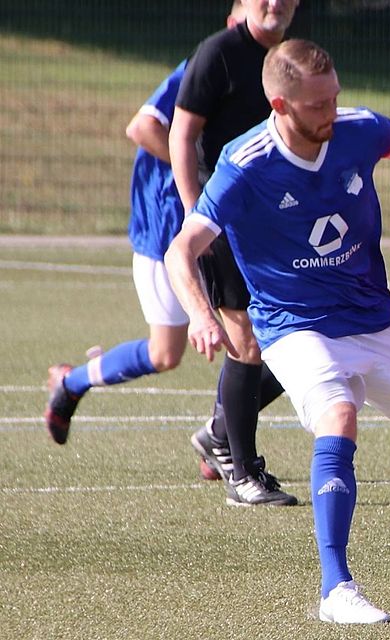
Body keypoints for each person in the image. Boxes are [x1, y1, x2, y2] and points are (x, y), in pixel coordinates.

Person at [165, 40, 390, 624]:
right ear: (279, 104)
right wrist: (205, 316)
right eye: (316, 105)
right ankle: (336, 588)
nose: (330, 112)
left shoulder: (358, 128)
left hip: (372, 317)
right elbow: (181, 250)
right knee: (339, 414)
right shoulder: (246, 162)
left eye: (334, 96)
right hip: (295, 325)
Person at [42, 3, 248, 450]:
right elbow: (144, 127)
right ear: (236, 20)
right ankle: (72, 382)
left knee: (251, 337)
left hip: (218, 230)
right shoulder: (205, 64)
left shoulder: (254, 73)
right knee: (166, 353)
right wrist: (202, 168)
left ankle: (224, 441)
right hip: (168, 228)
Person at [170, 0, 300, 506]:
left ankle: (219, 430)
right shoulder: (218, 54)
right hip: (220, 214)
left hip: (276, 218)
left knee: (299, 337)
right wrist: (193, 211)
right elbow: (182, 134)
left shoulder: (291, 58)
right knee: (244, 339)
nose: (276, 4)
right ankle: (242, 473)